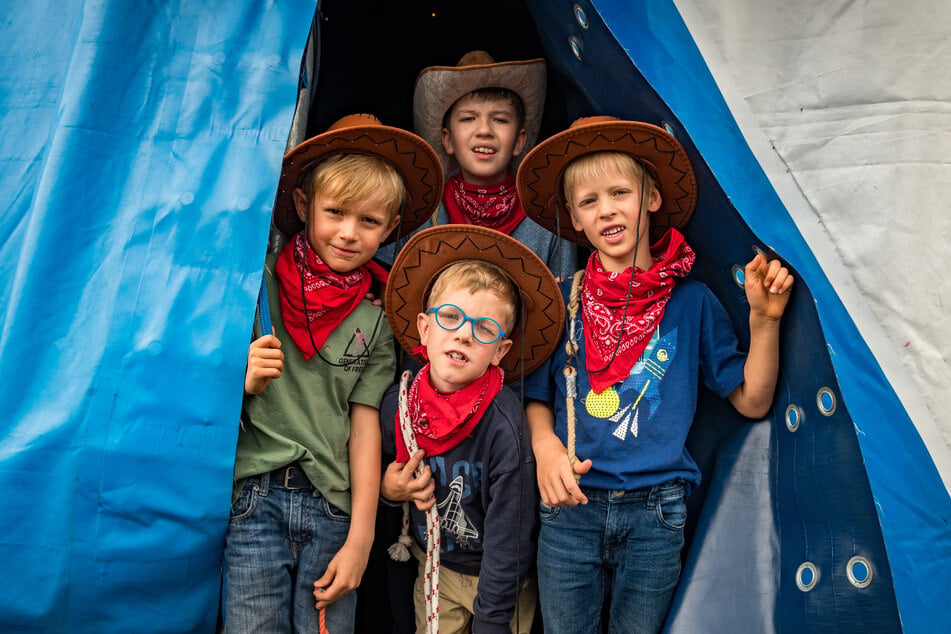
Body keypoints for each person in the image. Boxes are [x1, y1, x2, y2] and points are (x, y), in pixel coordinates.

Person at [515, 116, 795, 633]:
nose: (606, 210)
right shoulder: (560, 300)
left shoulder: (692, 304)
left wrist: (764, 321)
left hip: (657, 513)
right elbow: (535, 395)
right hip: (569, 510)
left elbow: (752, 401)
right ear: (575, 220)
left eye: (619, 192)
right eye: (589, 201)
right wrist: (547, 449)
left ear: (650, 198)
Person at [223, 113, 443, 633]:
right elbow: (191, 387)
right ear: (303, 206)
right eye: (335, 213)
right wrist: (240, 379)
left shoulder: (376, 313)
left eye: (369, 222)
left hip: (333, 510)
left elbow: (365, 424)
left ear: (390, 228)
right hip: (255, 502)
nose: (349, 233)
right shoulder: (256, 285)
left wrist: (362, 535)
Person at [378, 225, 566, 633]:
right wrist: (389, 492)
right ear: (425, 330)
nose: (464, 333)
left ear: (500, 352)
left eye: (484, 328)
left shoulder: (504, 424)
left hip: (500, 580)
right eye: (451, 318)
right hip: (434, 569)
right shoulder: (400, 404)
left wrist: (492, 619)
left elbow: (511, 536)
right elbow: (385, 478)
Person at [377, 50, 577, 280]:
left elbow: (564, 305)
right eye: (468, 119)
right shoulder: (418, 211)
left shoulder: (549, 219)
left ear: (519, 141)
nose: (484, 130)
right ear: (448, 140)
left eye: (500, 120)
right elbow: (390, 295)